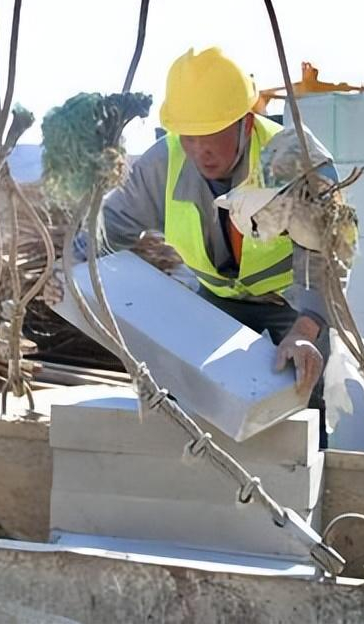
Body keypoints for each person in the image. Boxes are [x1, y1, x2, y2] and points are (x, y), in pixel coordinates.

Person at [93, 47, 338, 445]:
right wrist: (67, 268)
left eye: (212, 136)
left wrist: (306, 329)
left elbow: (328, 253)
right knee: (196, 412)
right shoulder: (163, 164)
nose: (199, 150)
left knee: (297, 422)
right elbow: (108, 229)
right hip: (215, 302)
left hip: (292, 307)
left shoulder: (293, 159)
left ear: (244, 122)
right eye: (189, 137)